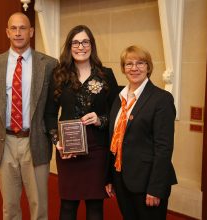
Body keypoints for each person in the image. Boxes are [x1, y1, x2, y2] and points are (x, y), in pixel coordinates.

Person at [0, 12, 57, 220]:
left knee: (39, 205)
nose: (18, 33)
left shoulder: (49, 64)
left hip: (35, 141)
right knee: (10, 206)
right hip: (4, 141)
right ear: (7, 32)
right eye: (13, 28)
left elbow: (51, 106)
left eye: (23, 28)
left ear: (31, 32)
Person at [45, 25, 119, 220]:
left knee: (95, 206)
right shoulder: (59, 75)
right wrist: (56, 141)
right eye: (75, 42)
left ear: (91, 45)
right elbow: (50, 114)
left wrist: (100, 119)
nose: (81, 46)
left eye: (85, 42)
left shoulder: (105, 75)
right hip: (69, 149)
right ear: (69, 46)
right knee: (68, 205)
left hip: (97, 149)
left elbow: (117, 113)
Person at [105, 45, 177, 220]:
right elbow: (113, 139)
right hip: (122, 179)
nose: (134, 68)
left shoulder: (161, 99)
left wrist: (156, 188)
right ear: (123, 68)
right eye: (129, 64)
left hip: (147, 183)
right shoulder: (119, 97)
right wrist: (110, 177)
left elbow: (164, 147)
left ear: (148, 67)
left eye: (140, 63)